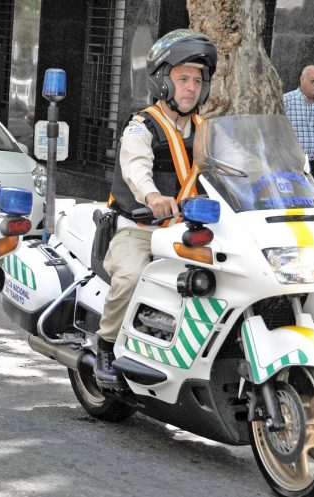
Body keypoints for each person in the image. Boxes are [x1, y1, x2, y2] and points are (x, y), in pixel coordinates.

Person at [95, 29, 217, 389]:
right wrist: (151, 197)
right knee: (131, 278)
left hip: (186, 229)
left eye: (197, 79)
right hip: (138, 229)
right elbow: (135, 169)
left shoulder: (204, 129)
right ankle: (105, 346)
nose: (191, 87)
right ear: (164, 81)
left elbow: (228, 171)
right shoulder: (142, 126)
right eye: (182, 78)